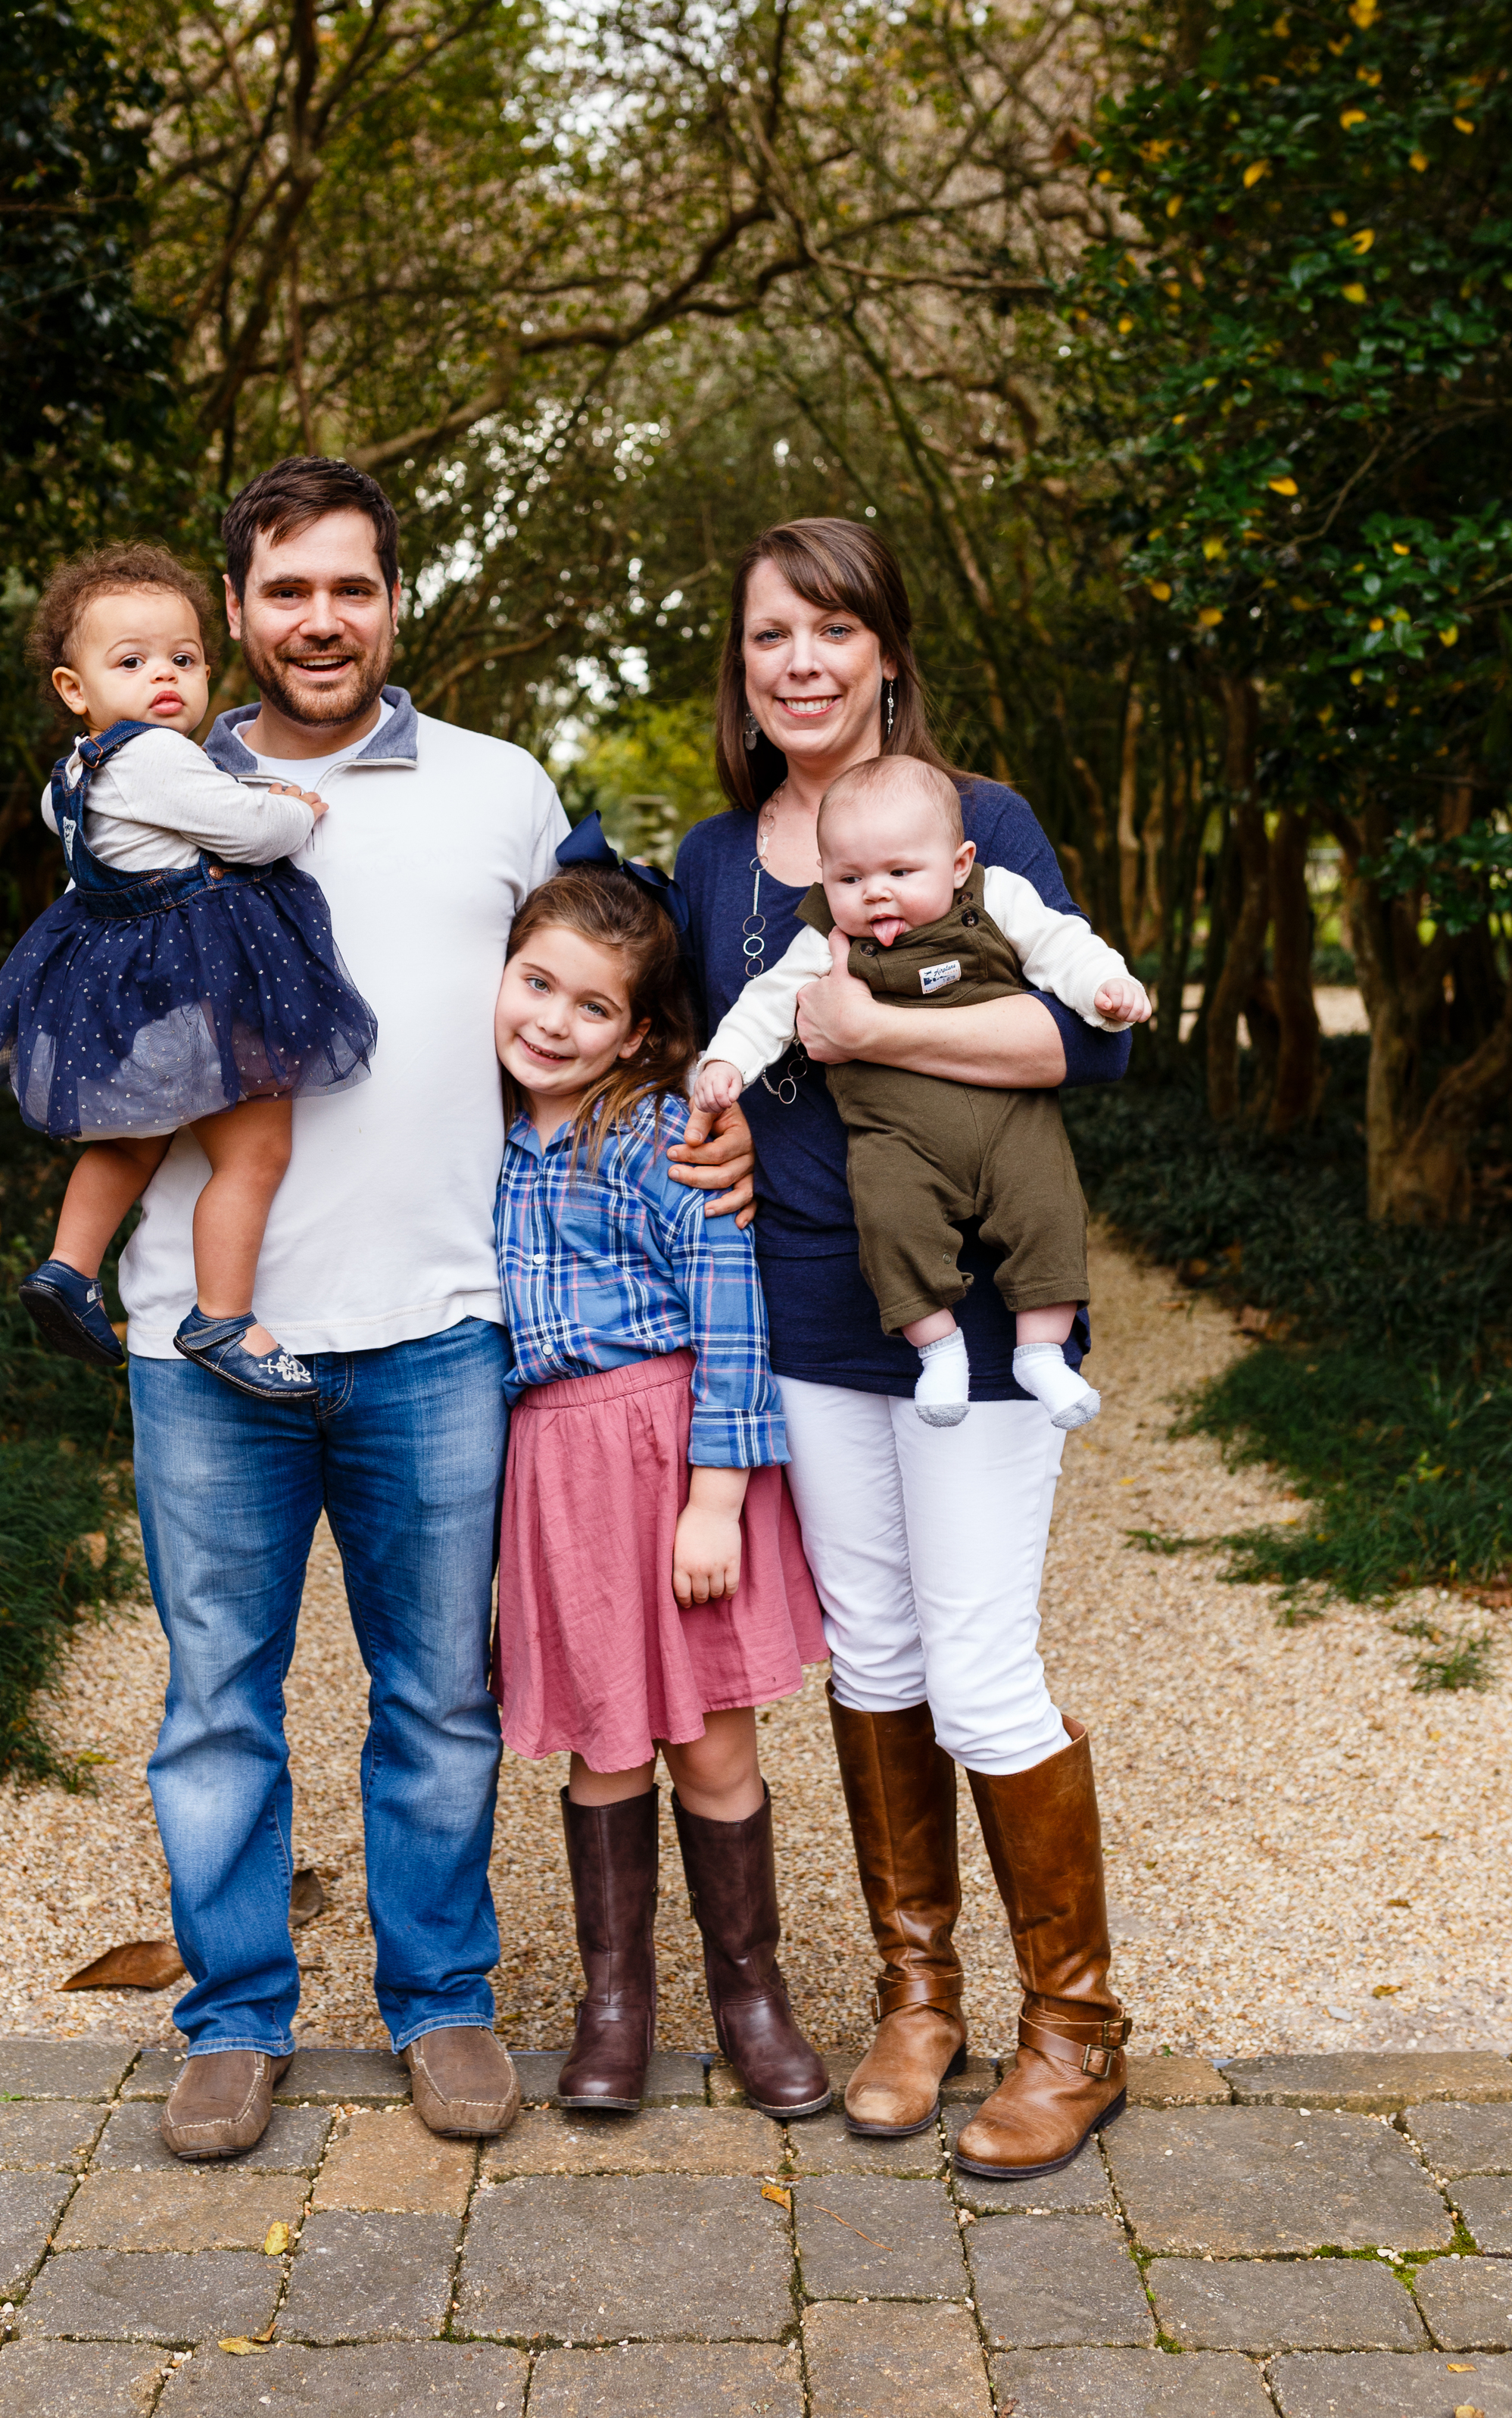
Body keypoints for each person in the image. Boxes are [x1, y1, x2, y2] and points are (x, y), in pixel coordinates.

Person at [108, 457, 755, 2162]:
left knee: (439, 1697)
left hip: (441, 1332)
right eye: (283, 590)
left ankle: (441, 2001)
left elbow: (617, 973)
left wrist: (710, 1110)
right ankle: (234, 2019)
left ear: (397, 601)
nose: (319, 619)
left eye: (351, 587)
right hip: (202, 1332)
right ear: (236, 608)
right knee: (216, 1702)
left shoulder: (502, 790)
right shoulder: (151, 785)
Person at [672, 515, 1135, 2181]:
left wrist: (876, 1025)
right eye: (765, 636)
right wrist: (706, 1137)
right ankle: (915, 1999)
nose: (795, 661)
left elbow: (1080, 1042)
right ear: (739, 668)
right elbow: (698, 1066)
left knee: (979, 1656)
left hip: (981, 1304)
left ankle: (1072, 2029)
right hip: (805, 1307)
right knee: (869, 1651)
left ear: (881, 651)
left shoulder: (974, 821)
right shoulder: (720, 858)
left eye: (827, 629)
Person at [491, 866, 830, 2118]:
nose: (554, 1023)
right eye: (537, 985)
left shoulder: (651, 1135)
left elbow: (730, 1306)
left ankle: (752, 1997)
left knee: (711, 1741)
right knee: (601, 1739)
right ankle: (615, 2003)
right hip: (558, 1474)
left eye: (593, 1008)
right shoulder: (475, 1135)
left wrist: (716, 1498)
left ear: (636, 1032)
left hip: (671, 1455)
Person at [0, 546, 376, 1404]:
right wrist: (289, 808)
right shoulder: (158, 758)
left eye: (183, 661)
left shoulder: (72, 778)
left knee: (133, 1139)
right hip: (197, 986)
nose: (165, 678)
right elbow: (246, 832)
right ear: (74, 690)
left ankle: (69, 1268)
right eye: (132, 662)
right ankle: (222, 1316)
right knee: (258, 1150)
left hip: (126, 996)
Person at [693, 752, 1152, 1433]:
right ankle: (938, 1348)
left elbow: (1065, 947)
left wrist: (1105, 989)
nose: (876, 894)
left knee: (1048, 1209)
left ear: (960, 864)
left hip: (1011, 1124)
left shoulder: (999, 898)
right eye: (851, 879)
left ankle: (1040, 1352)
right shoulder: (826, 937)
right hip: (894, 1136)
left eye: (901, 874)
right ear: (826, 878)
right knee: (889, 1219)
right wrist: (727, 1060)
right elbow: (766, 1004)